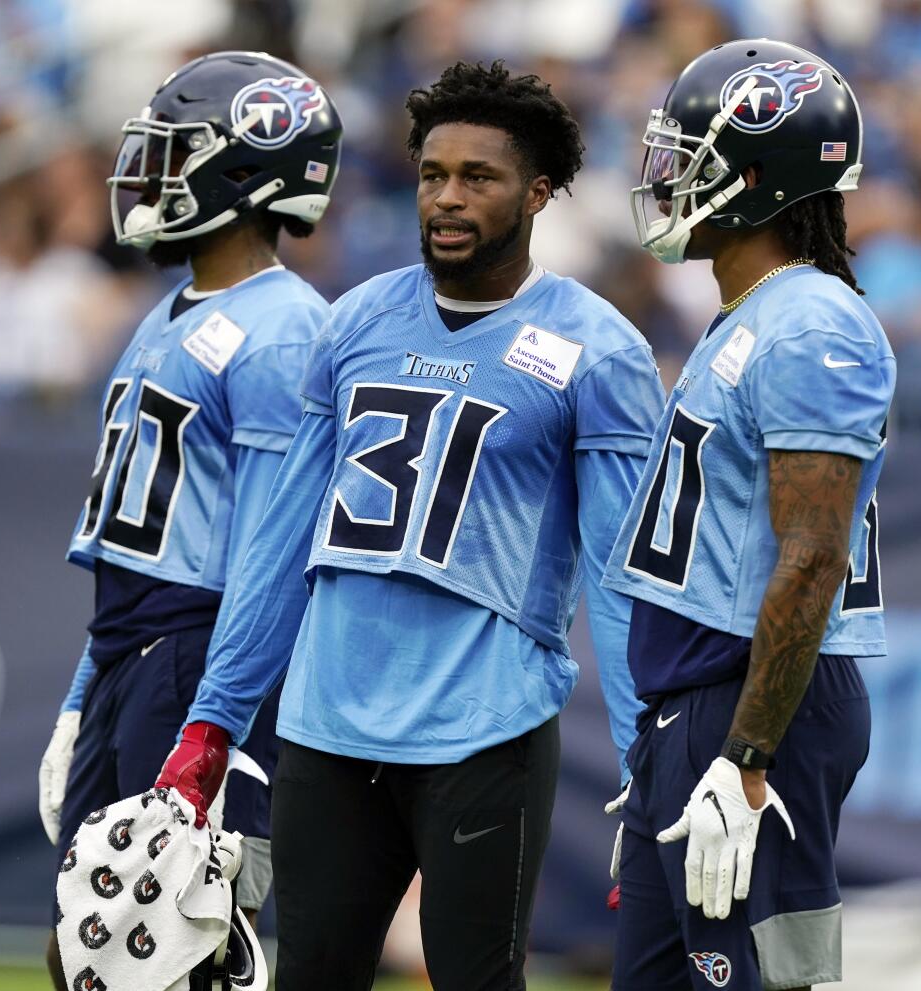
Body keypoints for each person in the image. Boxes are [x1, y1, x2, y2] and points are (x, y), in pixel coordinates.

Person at [154, 61, 664, 990]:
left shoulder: (599, 349)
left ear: (539, 192)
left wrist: (646, 757)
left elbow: (622, 575)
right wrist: (213, 719)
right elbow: (277, 545)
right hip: (327, 722)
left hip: (482, 725)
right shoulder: (353, 321)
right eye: (434, 174)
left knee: (475, 979)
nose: (448, 197)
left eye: (481, 176)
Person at [33, 51, 342, 990]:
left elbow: (272, 550)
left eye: (179, 155)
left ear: (242, 172)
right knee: (85, 943)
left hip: (195, 649)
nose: (155, 175)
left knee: (173, 945)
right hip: (132, 647)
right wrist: (84, 689)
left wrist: (221, 717)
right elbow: (130, 545)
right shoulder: (167, 309)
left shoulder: (283, 325)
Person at [601, 40, 895, 991]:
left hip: (751, 709)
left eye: (692, 154)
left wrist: (746, 752)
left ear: (759, 177)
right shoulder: (755, 312)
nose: (668, 177)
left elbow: (812, 556)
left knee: (752, 981)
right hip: (696, 705)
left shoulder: (813, 322)